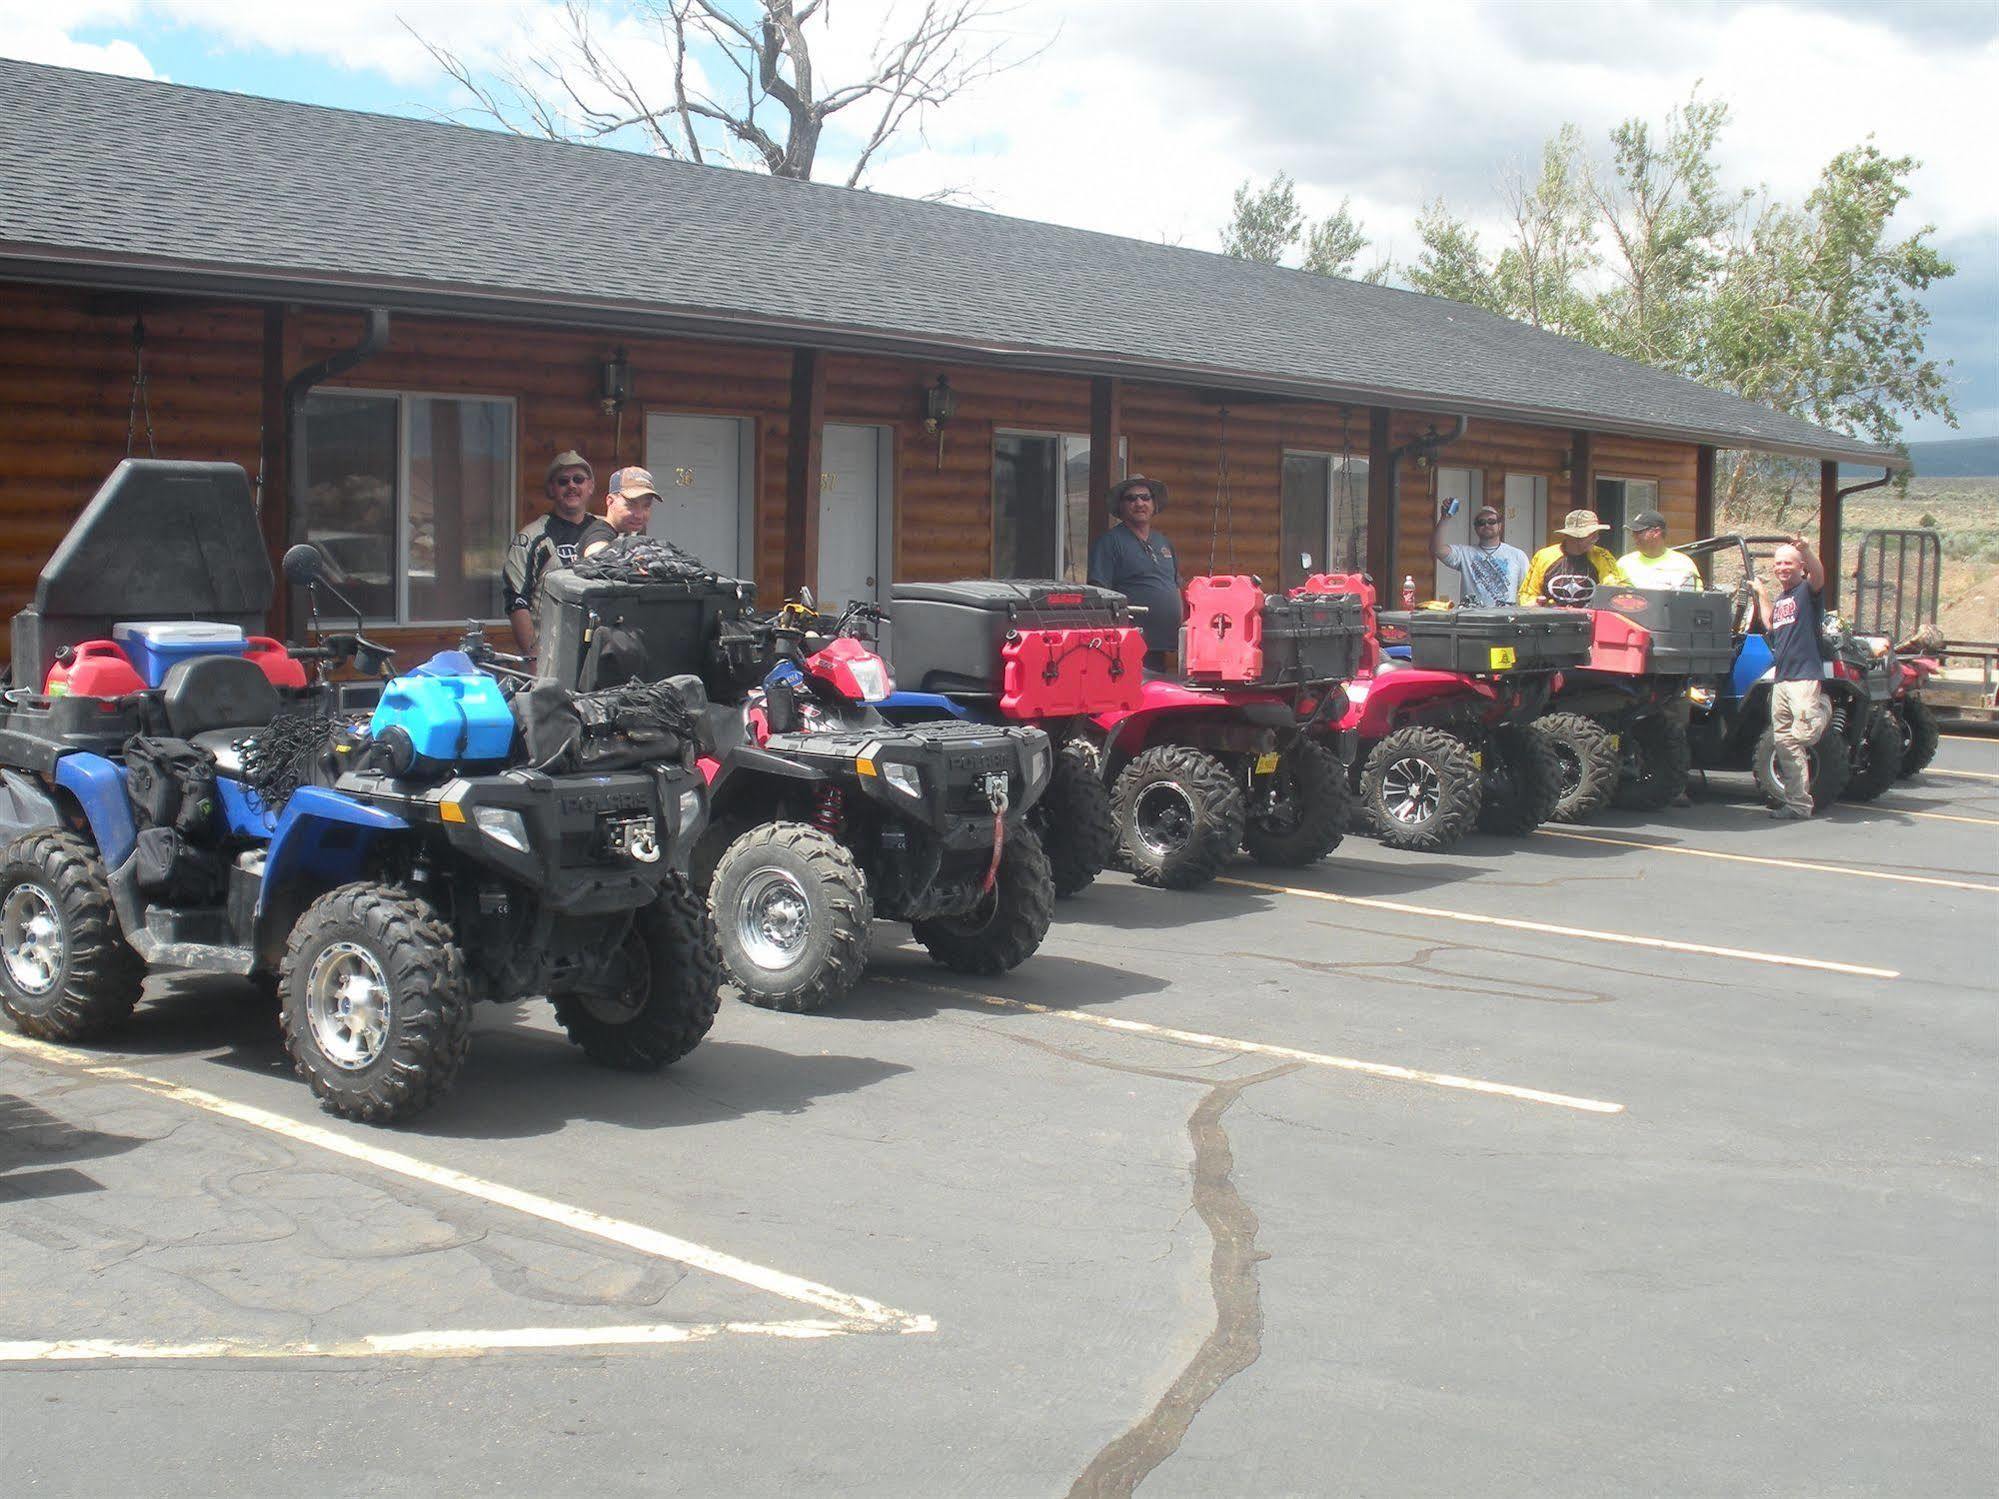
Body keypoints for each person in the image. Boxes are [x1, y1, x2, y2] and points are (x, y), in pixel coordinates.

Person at [503, 450, 615, 654]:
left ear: (591, 486)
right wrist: (533, 658)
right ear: (551, 489)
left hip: (600, 654)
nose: (571, 485)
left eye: (578, 479)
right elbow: (516, 601)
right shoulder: (532, 537)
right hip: (550, 656)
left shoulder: (606, 533)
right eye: (563, 481)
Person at [1755, 536, 1830, 819]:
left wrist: (1806, 550)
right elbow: (1770, 624)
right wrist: (1762, 594)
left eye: (1788, 563)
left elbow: (1820, 574)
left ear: (1801, 567)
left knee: (1806, 734)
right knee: (1785, 742)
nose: (1782, 568)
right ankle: (1798, 805)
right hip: (1782, 679)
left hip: (1804, 677)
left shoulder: (1807, 592)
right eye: (1778, 564)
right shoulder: (1783, 597)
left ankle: (1824, 707)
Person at [1088, 475, 1183, 669]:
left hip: (1162, 644)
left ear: (1154, 504)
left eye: (1145, 497)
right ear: (1121, 507)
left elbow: (1175, 585)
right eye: (1131, 498)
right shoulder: (1110, 542)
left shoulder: (1164, 543)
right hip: (1127, 645)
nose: (1139, 503)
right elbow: (1099, 593)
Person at [1521, 509, 1628, 607]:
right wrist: (1535, 604)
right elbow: (1527, 595)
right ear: (1573, 536)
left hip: (1589, 621)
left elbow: (1614, 591)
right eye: (1591, 534)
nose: (1596, 538)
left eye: (1597, 534)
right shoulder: (1544, 556)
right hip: (1552, 621)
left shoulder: (1602, 556)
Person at [1432, 502, 1529, 607]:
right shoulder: (1464, 554)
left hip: (1505, 620)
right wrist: (1445, 518)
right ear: (1475, 528)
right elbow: (1437, 549)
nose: (1486, 525)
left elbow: (1526, 592)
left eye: (1491, 521)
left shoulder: (1517, 555)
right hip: (1472, 620)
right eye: (1481, 522)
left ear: (1500, 526)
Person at [1618, 509, 1701, 589]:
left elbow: (1693, 600)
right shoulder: (1624, 563)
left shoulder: (1684, 564)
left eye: (1638, 532)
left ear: (1656, 532)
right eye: (1632, 533)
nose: (1633, 536)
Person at [601, 466, 660, 539]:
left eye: (646, 506)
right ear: (610, 501)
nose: (639, 516)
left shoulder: (629, 536)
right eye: (631, 505)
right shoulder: (598, 535)